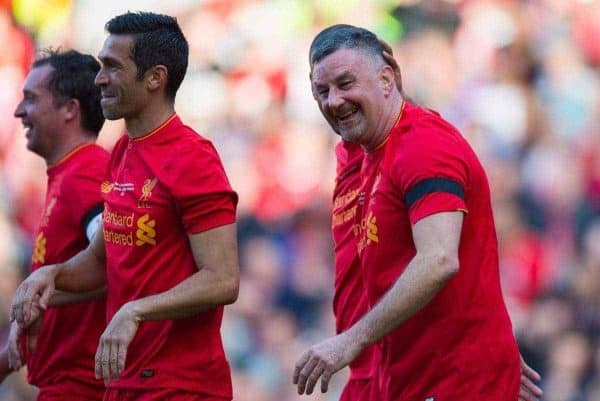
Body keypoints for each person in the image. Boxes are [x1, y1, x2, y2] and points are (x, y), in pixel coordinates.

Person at [294, 24, 544, 401]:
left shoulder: (424, 146)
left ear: (387, 76)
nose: (333, 100)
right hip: (383, 375)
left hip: (450, 381)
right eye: (321, 91)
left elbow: (439, 259)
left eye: (345, 83)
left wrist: (348, 343)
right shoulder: (355, 152)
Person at [10, 11, 240, 401]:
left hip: (180, 387)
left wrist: (135, 311)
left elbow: (222, 279)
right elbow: (102, 261)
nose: (99, 78)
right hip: (124, 383)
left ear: (155, 78)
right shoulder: (121, 154)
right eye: (101, 66)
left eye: (113, 67)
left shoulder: (192, 157)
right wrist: (51, 276)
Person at [0, 50, 108, 401]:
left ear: (70, 109)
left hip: (82, 389)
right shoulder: (67, 175)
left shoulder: (87, 171)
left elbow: (117, 259)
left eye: (31, 99)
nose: (19, 112)